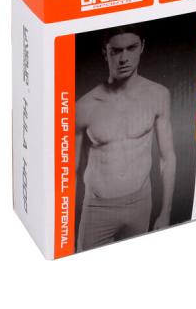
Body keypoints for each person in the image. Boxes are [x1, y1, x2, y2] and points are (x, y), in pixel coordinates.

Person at [75, 24, 176, 251]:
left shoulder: (158, 95)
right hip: (98, 209)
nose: (124, 58)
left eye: (131, 48)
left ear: (142, 47)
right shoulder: (84, 106)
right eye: (116, 51)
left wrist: (165, 212)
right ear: (105, 52)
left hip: (141, 203)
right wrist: (66, 225)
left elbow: (167, 157)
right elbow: (70, 171)